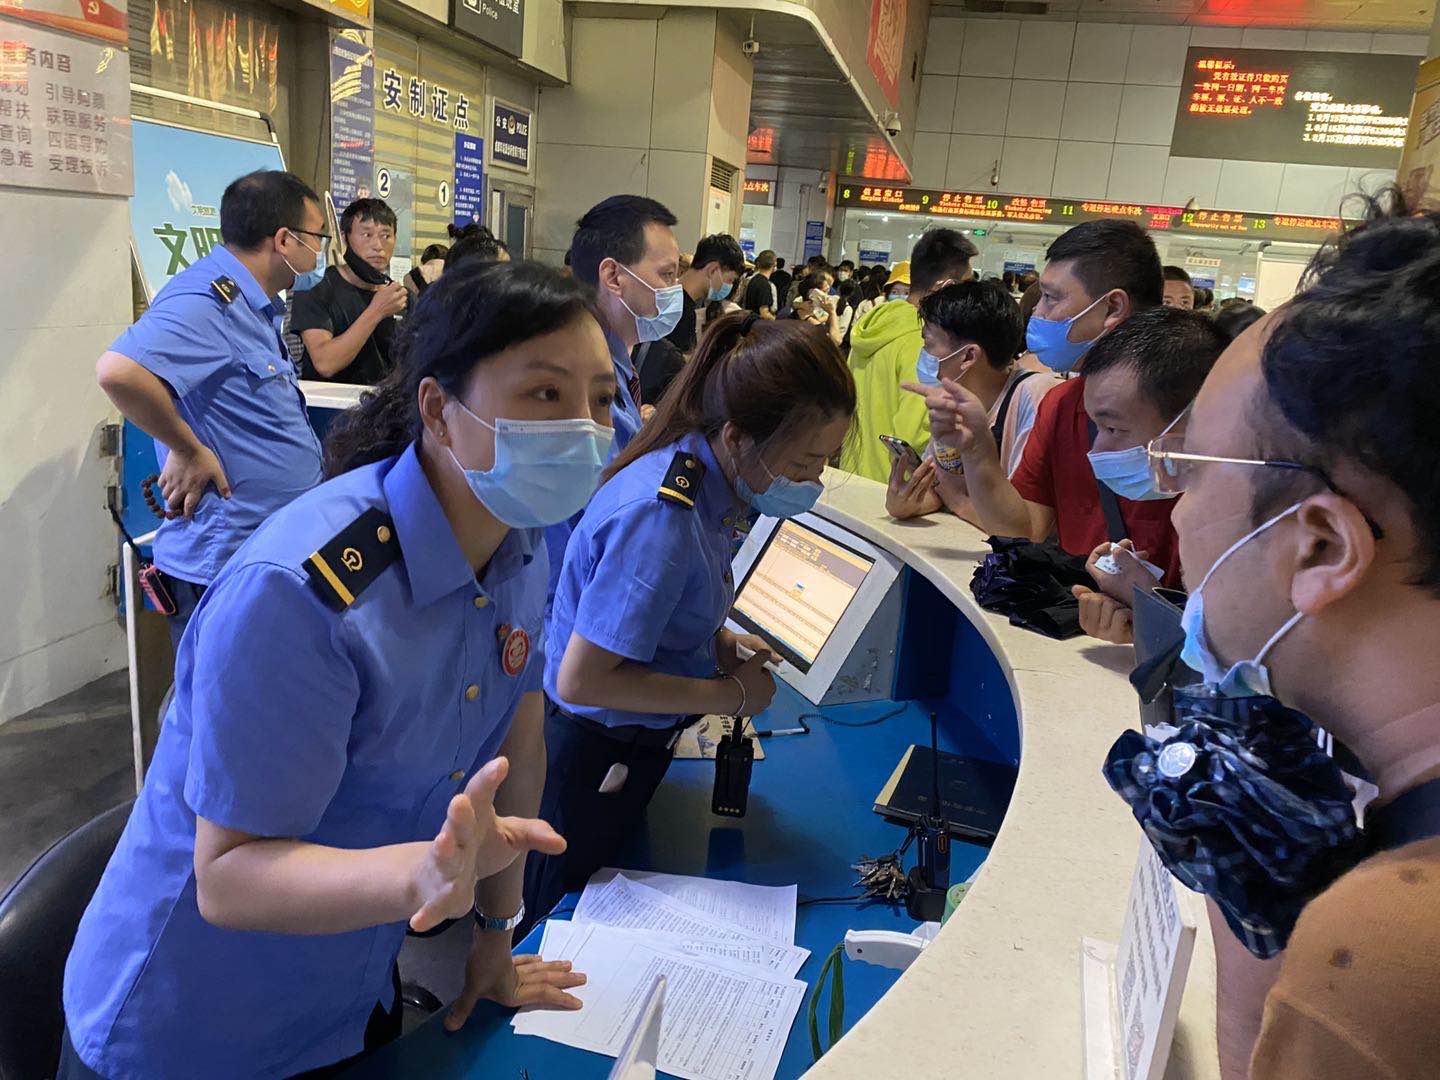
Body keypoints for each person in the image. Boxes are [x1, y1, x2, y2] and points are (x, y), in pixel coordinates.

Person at [60, 261, 610, 1080]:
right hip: (193, 1029)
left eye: (600, 399)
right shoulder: (303, 595)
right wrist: (419, 875)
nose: (585, 430)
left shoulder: (520, 541)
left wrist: (496, 937)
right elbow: (228, 879)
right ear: (438, 410)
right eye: (543, 395)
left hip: (349, 996)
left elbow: (514, 750)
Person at [1130, 198, 1440, 1080]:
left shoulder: (1393, 952)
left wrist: (1259, 941)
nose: (1177, 512)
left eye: (1192, 472)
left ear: (1322, 545)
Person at [522, 313, 857, 931]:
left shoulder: (702, 481)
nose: (813, 482)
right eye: (806, 463)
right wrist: (728, 696)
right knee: (558, 923)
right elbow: (583, 681)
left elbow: (647, 614)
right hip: (594, 754)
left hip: (626, 749)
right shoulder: (662, 515)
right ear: (736, 436)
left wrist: (718, 642)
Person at [95, 170, 327, 648]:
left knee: (241, 703)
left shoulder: (251, 304)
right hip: (223, 562)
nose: (320, 251)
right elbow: (119, 371)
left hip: (258, 551)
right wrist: (188, 448)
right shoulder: (209, 299)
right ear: (284, 240)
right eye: (317, 237)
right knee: (212, 708)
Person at [908, 307, 1225, 607]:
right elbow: (1023, 531)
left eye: (1052, 298)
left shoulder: (1247, 515)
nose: (1038, 315)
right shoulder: (1062, 403)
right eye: (1096, 427)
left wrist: (1148, 604)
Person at [542, 194, 681, 603]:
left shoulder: (615, 362)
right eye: (666, 275)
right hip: (575, 602)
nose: (675, 291)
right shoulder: (583, 376)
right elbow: (609, 514)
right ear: (614, 277)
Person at [885, 279, 1059, 523]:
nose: (924, 355)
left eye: (928, 345)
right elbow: (940, 486)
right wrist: (904, 504)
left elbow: (1024, 525)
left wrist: (956, 500)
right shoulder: (954, 399)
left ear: (968, 356)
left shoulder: (1037, 397)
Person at [838, 229, 977, 482]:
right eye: (966, 286)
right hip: (893, 490)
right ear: (946, 287)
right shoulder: (924, 341)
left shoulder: (874, 325)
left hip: (852, 475)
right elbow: (914, 434)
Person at [293, 198, 408, 385]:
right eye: (366, 235)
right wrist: (377, 311)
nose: (378, 246)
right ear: (345, 237)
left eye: (386, 236)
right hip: (329, 409)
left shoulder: (400, 296)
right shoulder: (316, 286)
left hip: (384, 408)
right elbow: (325, 363)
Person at [665, 232, 745, 355]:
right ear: (713, 270)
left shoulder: (668, 295)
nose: (729, 286)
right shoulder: (681, 311)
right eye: (730, 280)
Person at [782, 270, 844, 346]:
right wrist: (832, 312)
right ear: (813, 294)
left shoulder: (799, 312)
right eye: (825, 291)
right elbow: (836, 340)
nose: (828, 296)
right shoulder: (809, 320)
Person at [742, 249, 779, 319]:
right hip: (758, 325)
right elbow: (764, 313)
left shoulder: (753, 280)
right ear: (774, 264)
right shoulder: (765, 285)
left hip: (749, 321)